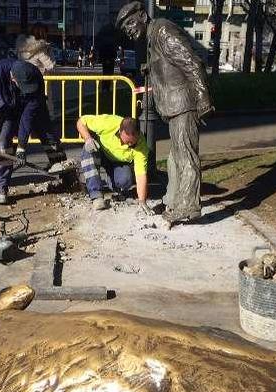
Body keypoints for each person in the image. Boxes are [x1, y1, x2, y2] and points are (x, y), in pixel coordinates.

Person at [116, 1, 213, 225]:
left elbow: (191, 62)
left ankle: (188, 205)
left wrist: (203, 97)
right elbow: (169, 66)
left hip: (183, 104)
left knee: (185, 156)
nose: (129, 31)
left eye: (130, 23)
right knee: (174, 158)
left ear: (142, 16)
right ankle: (174, 200)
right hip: (175, 106)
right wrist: (150, 69)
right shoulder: (153, 38)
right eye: (125, 28)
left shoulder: (162, 31)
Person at [0, 59, 66, 205]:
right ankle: (1, 188)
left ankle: (66, 176)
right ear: (13, 78)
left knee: (48, 135)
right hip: (7, 102)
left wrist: (22, 147)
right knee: (3, 137)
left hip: (33, 103)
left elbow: (28, 116)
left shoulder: (35, 76)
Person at [76, 114, 151, 212]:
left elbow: (141, 174)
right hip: (100, 152)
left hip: (117, 163)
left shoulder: (141, 145)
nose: (129, 145)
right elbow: (81, 121)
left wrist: (142, 201)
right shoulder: (108, 123)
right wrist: (88, 139)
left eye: (132, 143)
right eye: (126, 142)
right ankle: (96, 195)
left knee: (125, 180)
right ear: (120, 132)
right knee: (88, 151)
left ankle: (113, 186)